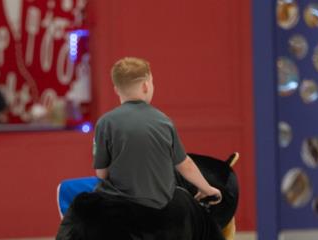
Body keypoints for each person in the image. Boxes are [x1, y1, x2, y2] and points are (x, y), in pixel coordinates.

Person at [93, 57, 222, 208]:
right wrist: (207, 189)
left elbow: (101, 174)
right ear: (146, 86)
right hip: (161, 205)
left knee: (69, 189)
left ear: (116, 90)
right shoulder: (164, 121)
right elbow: (185, 164)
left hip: (121, 205)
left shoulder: (104, 123)